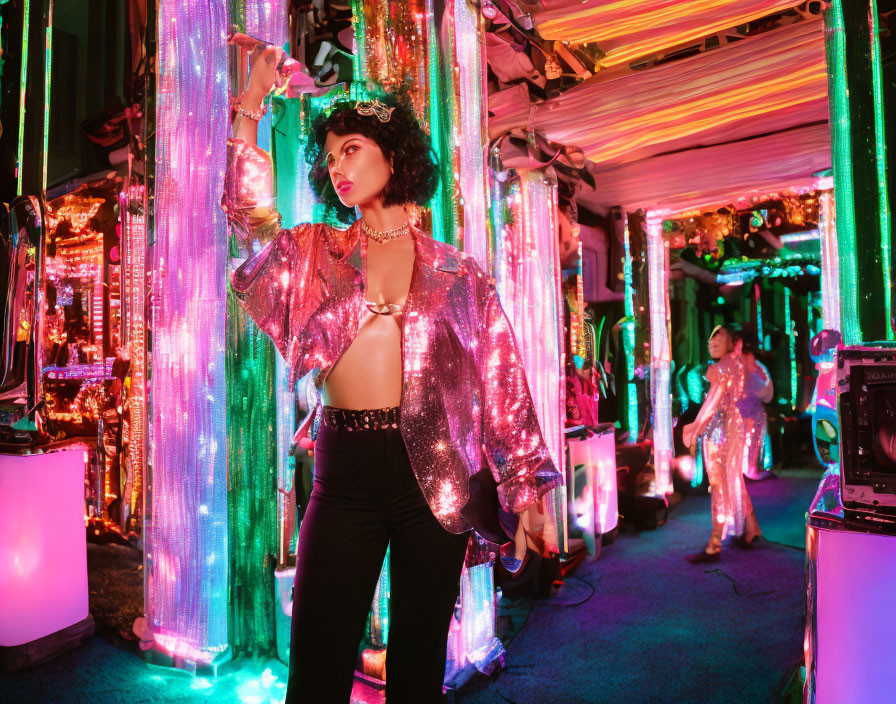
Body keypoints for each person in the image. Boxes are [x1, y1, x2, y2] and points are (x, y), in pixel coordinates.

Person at [224, 45, 561, 704]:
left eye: (351, 147)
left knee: (417, 668)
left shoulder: (459, 272)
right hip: (344, 467)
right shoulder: (316, 251)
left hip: (434, 472)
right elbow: (247, 225)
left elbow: (503, 385)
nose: (336, 165)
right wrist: (248, 109)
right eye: (330, 155)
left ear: (393, 152)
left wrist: (528, 491)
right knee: (317, 664)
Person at [682, 326, 761, 562]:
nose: (712, 340)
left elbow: (712, 402)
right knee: (732, 479)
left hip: (721, 432)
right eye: (710, 335)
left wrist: (694, 427)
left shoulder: (721, 368)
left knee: (718, 484)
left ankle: (715, 543)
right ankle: (752, 528)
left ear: (732, 342)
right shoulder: (734, 364)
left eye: (718, 335)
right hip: (733, 429)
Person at [736, 335, 773, 482]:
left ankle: (751, 469)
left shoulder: (757, 370)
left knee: (753, 442)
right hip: (744, 412)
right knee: (747, 442)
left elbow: (766, 390)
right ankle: (746, 470)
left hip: (754, 412)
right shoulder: (738, 370)